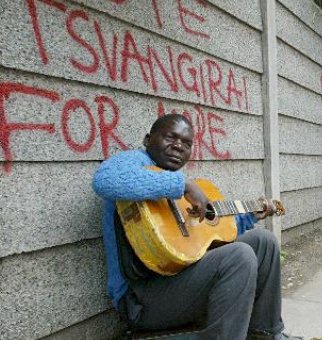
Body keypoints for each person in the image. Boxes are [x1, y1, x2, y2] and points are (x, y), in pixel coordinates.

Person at [92, 114, 302, 340]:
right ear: (147, 139)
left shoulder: (174, 182)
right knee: (238, 255)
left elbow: (209, 234)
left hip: (179, 280)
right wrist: (183, 185)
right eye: (170, 137)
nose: (178, 146)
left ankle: (266, 333)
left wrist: (250, 216)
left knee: (264, 242)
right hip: (140, 299)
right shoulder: (135, 163)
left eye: (186, 143)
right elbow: (104, 180)